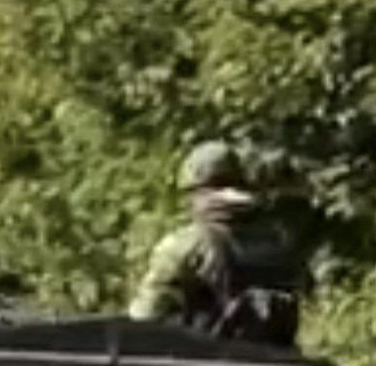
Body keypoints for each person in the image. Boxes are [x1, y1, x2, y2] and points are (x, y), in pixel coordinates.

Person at [129, 140, 308, 343]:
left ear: (196, 189)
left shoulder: (189, 243)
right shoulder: (278, 241)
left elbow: (145, 317)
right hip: (275, 364)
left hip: (209, 364)